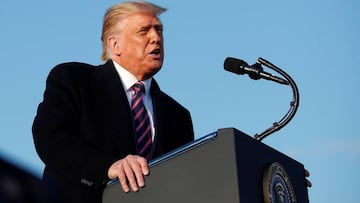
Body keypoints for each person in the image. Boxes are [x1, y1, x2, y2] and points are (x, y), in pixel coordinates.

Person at [32, 1, 194, 203]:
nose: (155, 38)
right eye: (144, 31)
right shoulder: (74, 80)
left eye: (159, 31)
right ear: (115, 44)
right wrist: (108, 167)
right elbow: (51, 139)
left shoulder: (178, 116)